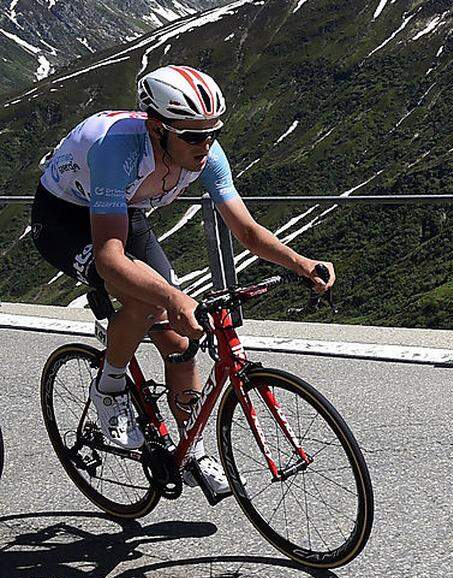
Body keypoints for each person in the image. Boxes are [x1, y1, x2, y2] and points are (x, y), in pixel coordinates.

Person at [31, 65, 335, 500]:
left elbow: (246, 232)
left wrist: (302, 263)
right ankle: (110, 386)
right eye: (193, 135)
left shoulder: (207, 155)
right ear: (157, 128)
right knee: (149, 301)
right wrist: (174, 297)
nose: (205, 145)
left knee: (180, 344)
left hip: (123, 210)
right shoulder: (117, 149)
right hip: (63, 219)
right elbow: (110, 258)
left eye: (211, 132)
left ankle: (192, 448)